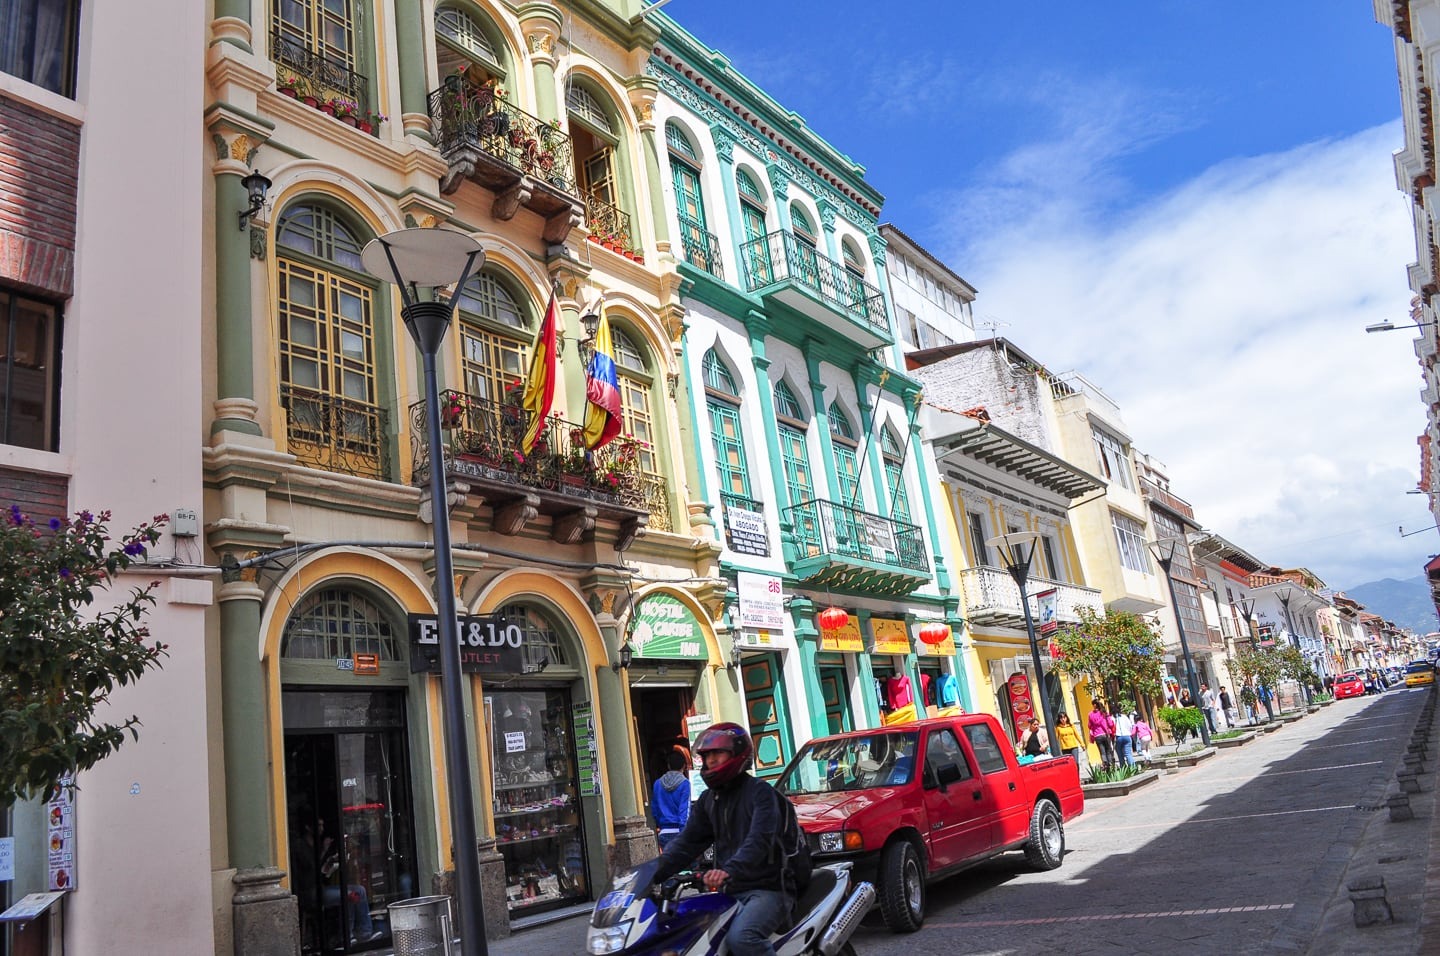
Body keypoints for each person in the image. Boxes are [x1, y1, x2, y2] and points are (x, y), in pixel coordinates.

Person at [653, 722, 793, 956]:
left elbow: (760, 840)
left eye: (718, 753)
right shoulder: (710, 800)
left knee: (742, 938)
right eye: (707, 755)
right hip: (729, 890)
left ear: (738, 753)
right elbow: (687, 843)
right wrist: (650, 872)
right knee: (686, 934)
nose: (711, 761)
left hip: (768, 888)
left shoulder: (761, 793)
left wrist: (728, 870)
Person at [652, 750, 692, 850]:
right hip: (679, 832)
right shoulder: (685, 783)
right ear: (683, 766)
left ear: (668, 766)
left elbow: (655, 810)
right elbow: (685, 810)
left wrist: (661, 826)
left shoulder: (657, 783)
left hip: (664, 832)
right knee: (688, 864)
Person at [1087, 701, 1116, 770]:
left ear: (1094, 705)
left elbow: (1089, 726)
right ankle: (1111, 764)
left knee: (1102, 752)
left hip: (1097, 735)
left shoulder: (1090, 714)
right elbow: (1110, 724)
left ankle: (1105, 763)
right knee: (1108, 750)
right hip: (1105, 734)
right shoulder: (1104, 713)